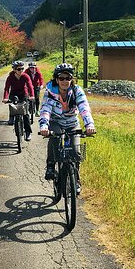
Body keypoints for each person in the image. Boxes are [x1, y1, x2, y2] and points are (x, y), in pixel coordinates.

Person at [38, 62, 96, 194]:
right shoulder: (50, 92)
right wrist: (44, 126)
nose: (65, 81)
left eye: (68, 78)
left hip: (71, 122)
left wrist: (89, 125)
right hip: (55, 121)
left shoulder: (77, 91)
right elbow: (45, 109)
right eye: (61, 78)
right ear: (56, 79)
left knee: (76, 152)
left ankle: (75, 179)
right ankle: (51, 166)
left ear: (72, 80)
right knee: (54, 138)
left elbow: (84, 108)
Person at [2, 60, 35, 141]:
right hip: (14, 94)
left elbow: (30, 86)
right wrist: (5, 98)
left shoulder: (25, 76)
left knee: (25, 113)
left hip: (24, 94)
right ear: (14, 70)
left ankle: (28, 132)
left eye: (22, 69)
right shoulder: (10, 77)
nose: (21, 71)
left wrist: (31, 96)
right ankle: (12, 117)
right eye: (19, 69)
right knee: (12, 104)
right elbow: (7, 88)